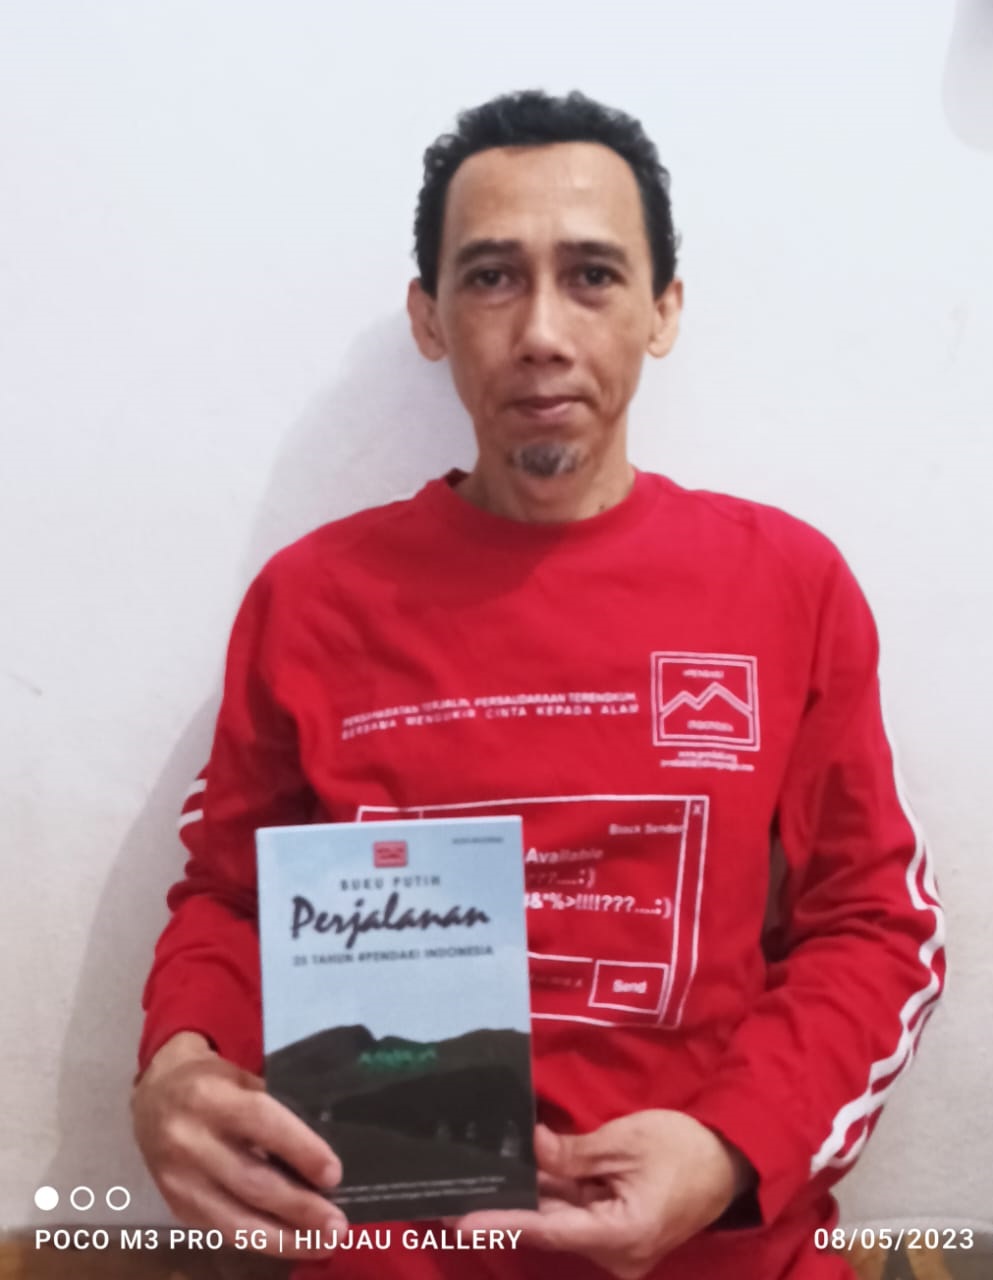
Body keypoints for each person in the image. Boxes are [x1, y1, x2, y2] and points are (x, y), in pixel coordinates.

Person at [131, 89, 946, 1280]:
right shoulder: (311, 600)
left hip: (718, 1255)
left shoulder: (786, 583)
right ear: (429, 316)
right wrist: (178, 1060)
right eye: (492, 277)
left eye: (594, 275)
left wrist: (728, 1146)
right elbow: (229, 896)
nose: (543, 333)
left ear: (664, 310)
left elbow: (877, 922)